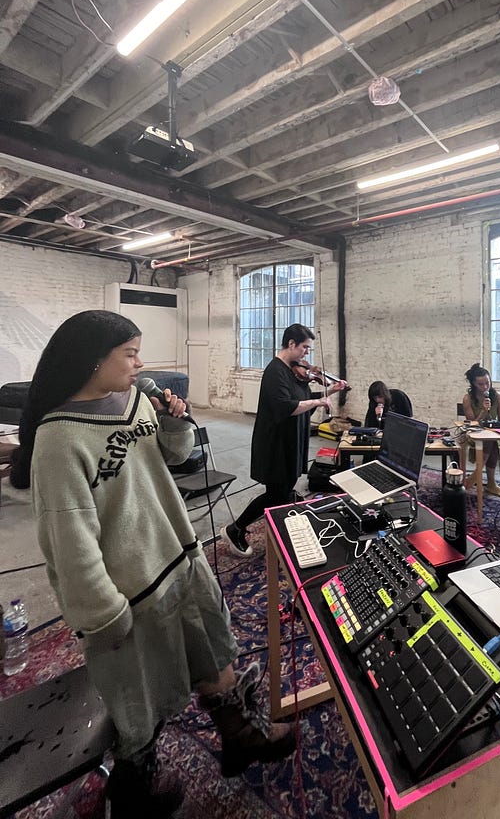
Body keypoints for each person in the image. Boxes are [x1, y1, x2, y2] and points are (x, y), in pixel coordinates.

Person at [10, 311, 294, 818]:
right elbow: (69, 541)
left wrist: (176, 420)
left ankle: (240, 735)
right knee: (138, 702)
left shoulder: (139, 400)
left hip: (179, 555)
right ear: (93, 360)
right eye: (131, 354)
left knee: (212, 647)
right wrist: (104, 614)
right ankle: (133, 791)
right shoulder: (58, 440)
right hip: (131, 590)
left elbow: (176, 457)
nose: (141, 363)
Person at [221, 323, 346, 556]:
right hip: (275, 443)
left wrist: (330, 391)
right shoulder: (275, 371)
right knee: (275, 493)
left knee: (286, 489)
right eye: (305, 348)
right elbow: (287, 407)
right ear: (291, 344)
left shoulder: (292, 370)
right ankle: (235, 529)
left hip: (290, 440)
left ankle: (283, 530)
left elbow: (304, 398)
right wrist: (318, 402)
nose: (307, 354)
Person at [462, 364, 500, 498]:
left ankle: (477, 475)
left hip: (492, 434)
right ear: (474, 384)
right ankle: (489, 482)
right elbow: (472, 423)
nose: (485, 387)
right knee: (489, 440)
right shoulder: (468, 399)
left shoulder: (498, 397)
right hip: (474, 434)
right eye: (481, 384)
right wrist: (483, 411)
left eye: (487, 382)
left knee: (491, 439)